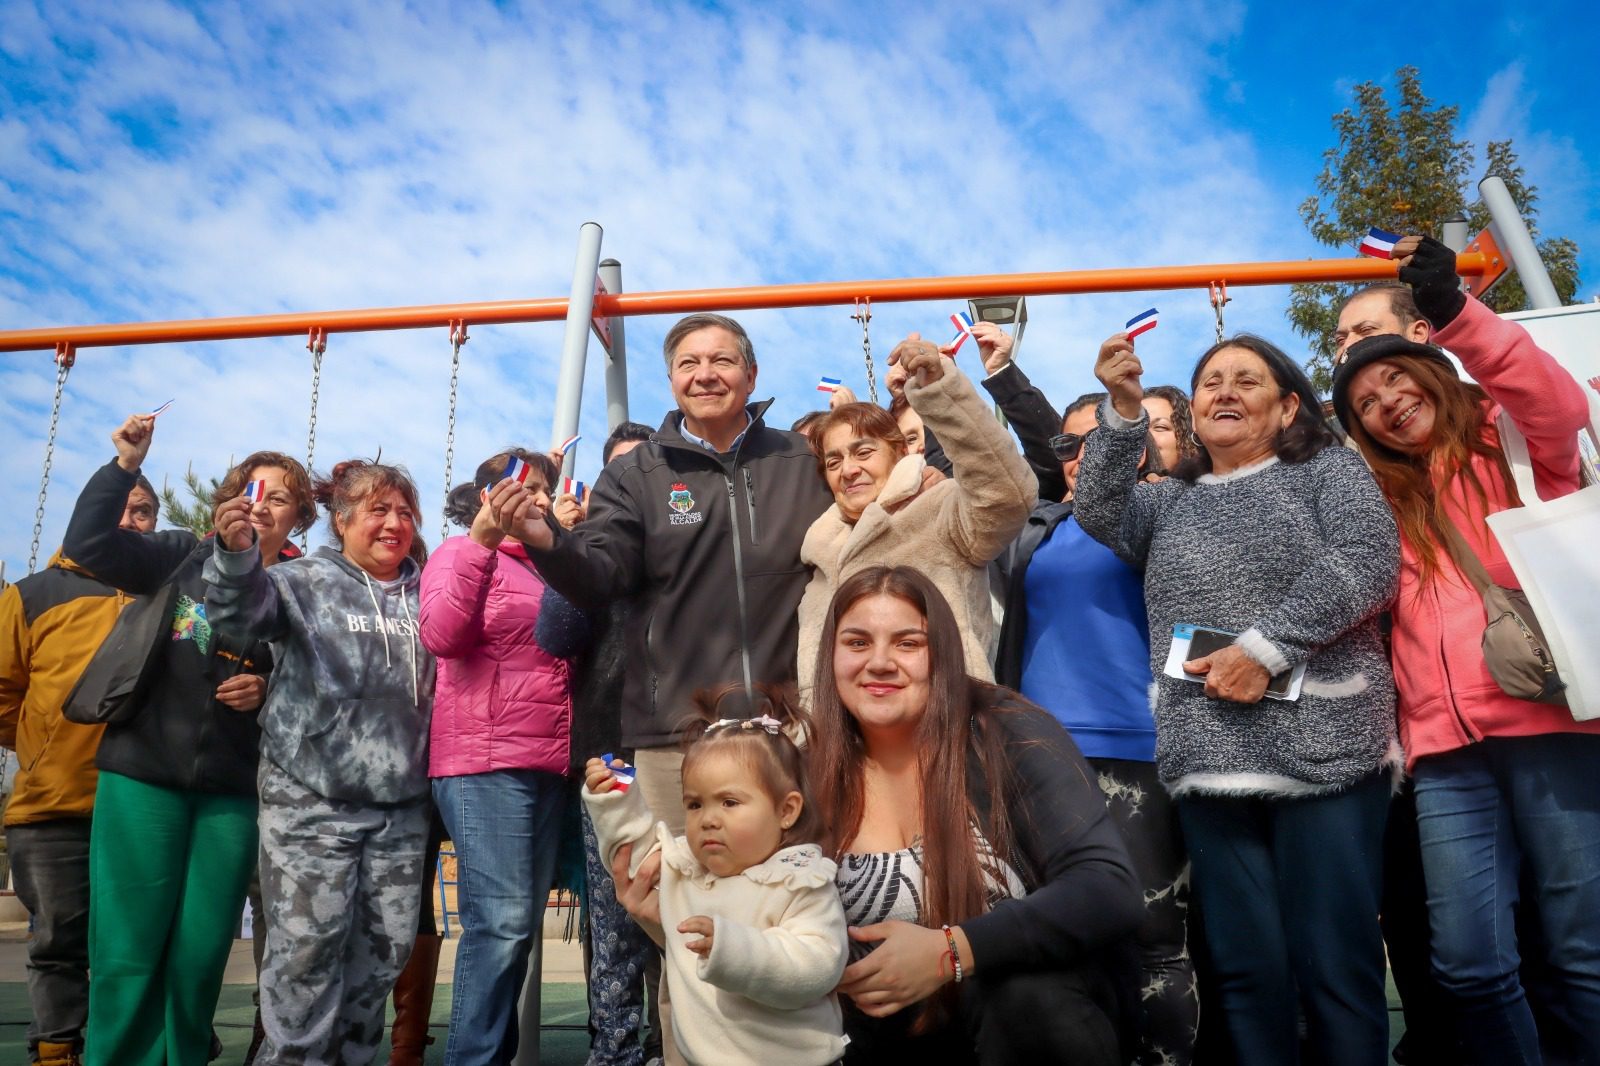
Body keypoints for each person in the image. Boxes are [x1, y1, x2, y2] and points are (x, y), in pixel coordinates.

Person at [1075, 330, 1402, 1064]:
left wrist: (1266, 649)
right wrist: (1123, 411)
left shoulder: (1326, 472)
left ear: (1288, 407)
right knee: (1248, 972)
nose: (1224, 390)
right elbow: (1097, 509)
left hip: (1327, 752)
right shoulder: (1168, 503)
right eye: (1211, 381)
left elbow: (1371, 559)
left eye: (1246, 381)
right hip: (1209, 759)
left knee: (1335, 966)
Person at [1331, 235, 1600, 1063]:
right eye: (1364, 402)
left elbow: (1550, 397)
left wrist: (1453, 311)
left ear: (1434, 370)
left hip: (1551, 726)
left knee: (1583, 952)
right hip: (1444, 756)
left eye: (1394, 378)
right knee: (1469, 966)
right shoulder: (1377, 501)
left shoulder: (1510, 445)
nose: (1384, 402)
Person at [801, 565, 1143, 1062]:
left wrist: (952, 951)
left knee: (1025, 994)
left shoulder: (1006, 732)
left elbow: (1108, 889)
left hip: (1023, 1034)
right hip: (879, 1045)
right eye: (856, 642)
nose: (878, 662)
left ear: (941, 653)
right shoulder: (807, 771)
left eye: (907, 643)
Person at [59, 416, 312, 1066]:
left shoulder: (301, 588)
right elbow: (89, 543)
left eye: (278, 497)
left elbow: (327, 686)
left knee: (199, 960)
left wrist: (269, 684)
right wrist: (123, 466)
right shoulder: (179, 555)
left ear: (297, 519)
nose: (261, 506)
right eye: (250, 492)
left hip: (233, 791)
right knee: (127, 954)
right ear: (228, 502)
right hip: (142, 776)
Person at [205, 459, 435, 1066]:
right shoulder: (300, 580)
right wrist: (236, 555)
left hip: (401, 812)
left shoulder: (429, 590)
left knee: (381, 958)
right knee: (305, 956)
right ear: (343, 520)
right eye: (379, 510)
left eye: (405, 513)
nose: (394, 524)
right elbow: (237, 617)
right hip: (310, 804)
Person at [993, 383, 1197, 1066]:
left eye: (1099, 438)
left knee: (1153, 938)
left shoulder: (1160, 516)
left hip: (1135, 748)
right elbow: (1001, 457)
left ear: (1136, 448)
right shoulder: (1036, 527)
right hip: (1037, 755)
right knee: (1057, 935)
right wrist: (999, 377)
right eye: (1069, 445)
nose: (1082, 455)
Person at [419, 448, 588, 1066]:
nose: (536, 497)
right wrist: (480, 544)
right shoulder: (459, 554)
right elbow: (441, 634)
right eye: (522, 486)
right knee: (501, 926)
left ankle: (487, 1054)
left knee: (515, 933)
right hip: (485, 760)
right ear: (488, 496)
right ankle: (474, 1059)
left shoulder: (554, 567)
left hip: (547, 761)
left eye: (543, 488)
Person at [584, 685, 849, 1066]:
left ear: (786, 811)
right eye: (694, 804)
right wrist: (616, 798)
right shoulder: (687, 870)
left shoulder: (798, 880)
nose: (708, 818)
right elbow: (632, 859)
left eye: (729, 802)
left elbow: (816, 965)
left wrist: (733, 948)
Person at [0, 474, 158, 1066]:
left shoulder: (167, 592)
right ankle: (56, 1048)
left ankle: (137, 1046)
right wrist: (45, 744)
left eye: (141, 512)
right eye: (117, 510)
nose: (128, 521)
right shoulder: (33, 593)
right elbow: (2, 692)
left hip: (146, 801)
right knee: (58, 941)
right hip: (54, 803)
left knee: (140, 941)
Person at [797, 333, 1036, 696]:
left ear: (899, 453)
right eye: (834, 460)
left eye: (863, 452)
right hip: (845, 749)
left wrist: (940, 389)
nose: (848, 470)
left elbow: (1006, 493)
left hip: (946, 737)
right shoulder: (819, 552)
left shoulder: (941, 510)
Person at [568, 422, 659, 1066]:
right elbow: (552, 631)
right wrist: (570, 546)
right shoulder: (591, 555)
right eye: (616, 474)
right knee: (616, 919)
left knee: (685, 907)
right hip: (610, 752)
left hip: (684, 748)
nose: (629, 484)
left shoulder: (683, 543)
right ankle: (616, 1052)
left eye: (640, 470)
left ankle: (677, 1043)